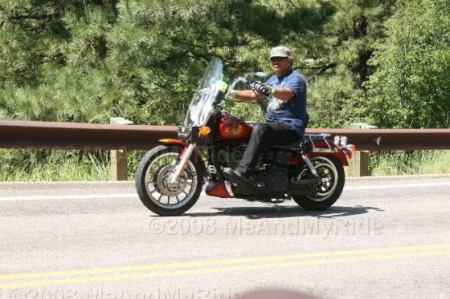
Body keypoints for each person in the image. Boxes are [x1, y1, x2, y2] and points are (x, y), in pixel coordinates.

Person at [223, 46, 308, 182]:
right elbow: (253, 94)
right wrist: (230, 93)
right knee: (241, 126)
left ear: (289, 61)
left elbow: (286, 94)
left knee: (260, 128)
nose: (276, 61)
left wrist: (271, 90)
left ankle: (242, 173)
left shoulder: (296, 79)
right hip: (273, 126)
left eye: (280, 58)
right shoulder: (273, 79)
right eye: (273, 59)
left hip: (290, 127)